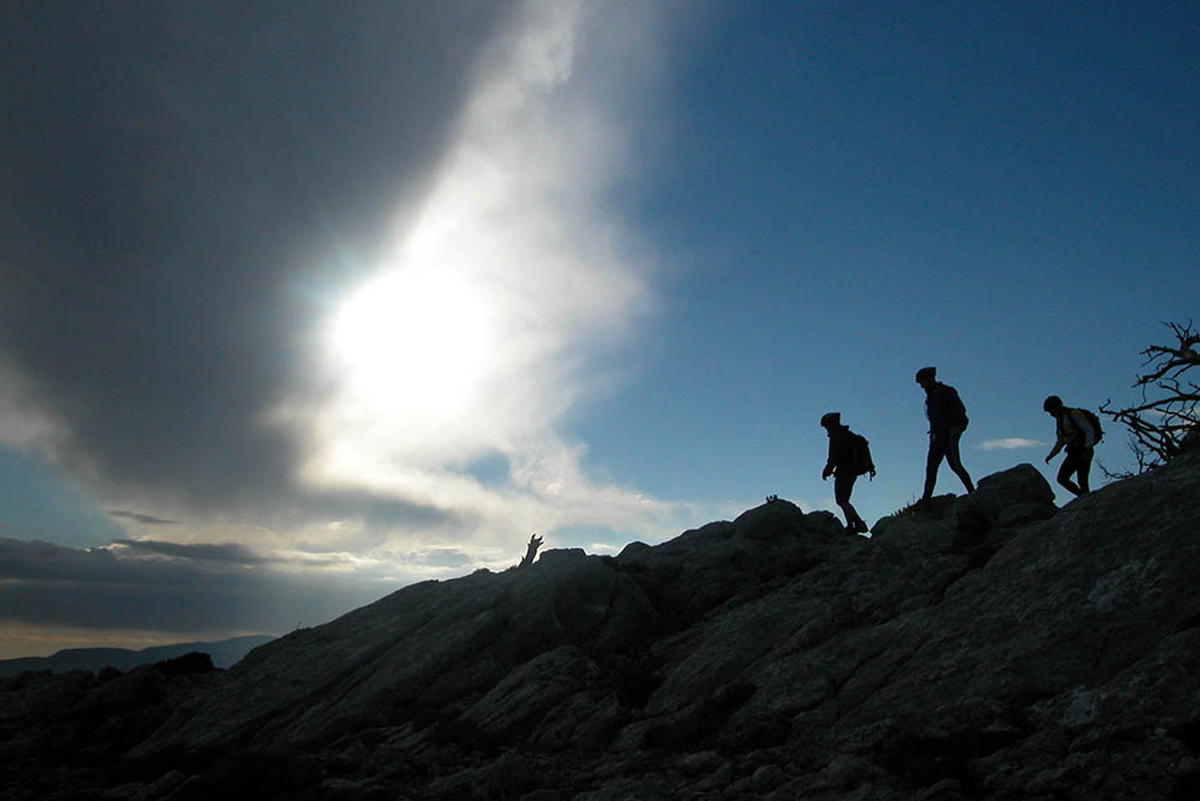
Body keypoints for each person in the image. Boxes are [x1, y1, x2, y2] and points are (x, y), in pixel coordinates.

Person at [915, 366, 975, 503]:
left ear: (929, 380)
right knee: (931, 467)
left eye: (922, 382)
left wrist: (953, 429)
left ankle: (972, 492)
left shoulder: (946, 392)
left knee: (954, 464)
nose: (922, 386)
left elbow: (961, 412)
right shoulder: (931, 397)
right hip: (937, 435)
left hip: (948, 433)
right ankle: (926, 499)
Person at [820, 412, 874, 533]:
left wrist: (827, 470)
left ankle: (856, 524)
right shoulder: (848, 435)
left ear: (831, 424)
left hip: (844, 472)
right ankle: (853, 524)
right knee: (844, 500)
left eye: (827, 426)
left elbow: (834, 456)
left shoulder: (837, 437)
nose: (826, 429)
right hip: (853, 471)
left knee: (842, 501)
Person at [1043, 395, 1097, 497]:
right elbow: (1061, 441)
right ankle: (1084, 497)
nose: (1051, 414)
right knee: (1078, 480)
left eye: (1051, 411)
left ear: (1057, 407)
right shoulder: (1060, 420)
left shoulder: (1074, 414)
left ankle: (1083, 497)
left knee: (1070, 478)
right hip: (1075, 451)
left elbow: (1088, 430)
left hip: (1082, 450)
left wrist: (1087, 448)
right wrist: (1051, 455)